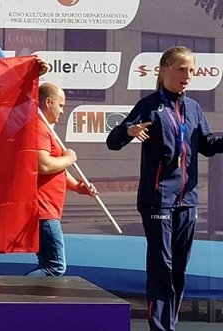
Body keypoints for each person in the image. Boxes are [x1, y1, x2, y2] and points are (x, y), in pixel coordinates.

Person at [106, 46, 223, 331]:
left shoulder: (193, 108)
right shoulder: (149, 106)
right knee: (162, 267)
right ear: (163, 70)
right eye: (182, 69)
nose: (188, 75)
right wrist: (129, 131)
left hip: (188, 201)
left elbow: (208, 146)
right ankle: (160, 327)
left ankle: (170, 324)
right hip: (158, 200)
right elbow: (113, 141)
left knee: (178, 269)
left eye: (191, 70)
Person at [26, 82, 93, 277]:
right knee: (54, 266)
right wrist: (69, 158)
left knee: (49, 264)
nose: (63, 111)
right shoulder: (39, 128)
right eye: (61, 105)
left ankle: (28, 295)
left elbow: (57, 170)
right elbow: (44, 165)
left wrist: (78, 187)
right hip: (43, 210)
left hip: (48, 210)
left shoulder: (46, 129)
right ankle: (18, 294)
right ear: (48, 102)